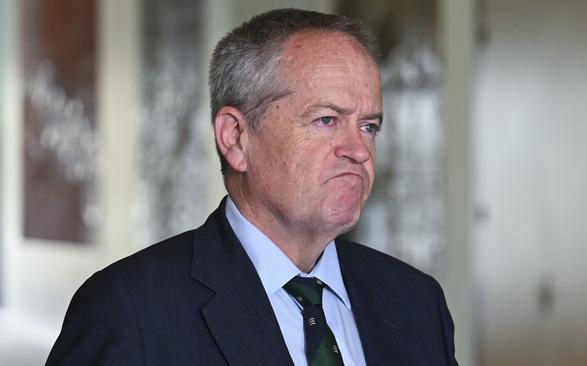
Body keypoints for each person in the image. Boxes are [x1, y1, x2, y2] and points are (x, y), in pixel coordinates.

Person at [46, 8, 458, 366]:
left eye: (369, 126)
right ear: (236, 138)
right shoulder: (130, 310)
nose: (359, 150)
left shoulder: (416, 302)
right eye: (326, 120)